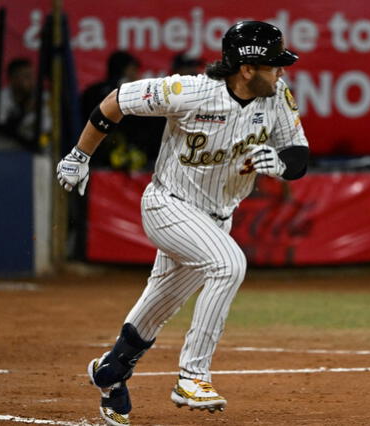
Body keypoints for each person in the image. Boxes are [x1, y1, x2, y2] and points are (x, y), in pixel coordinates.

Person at [56, 21, 309, 426]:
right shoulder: (189, 91)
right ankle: (193, 376)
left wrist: (280, 164)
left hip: (216, 220)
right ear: (246, 69)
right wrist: (80, 155)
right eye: (273, 65)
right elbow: (116, 101)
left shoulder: (276, 94)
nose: (281, 72)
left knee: (158, 307)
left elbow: (298, 152)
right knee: (229, 265)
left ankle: (110, 373)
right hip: (168, 205)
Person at [0, 57, 51, 146]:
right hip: (6, 150)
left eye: (32, 75)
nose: (32, 80)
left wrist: (40, 143)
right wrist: (24, 112)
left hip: (35, 149)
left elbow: (48, 133)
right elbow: (0, 134)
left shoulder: (43, 98)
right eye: (26, 76)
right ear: (12, 79)